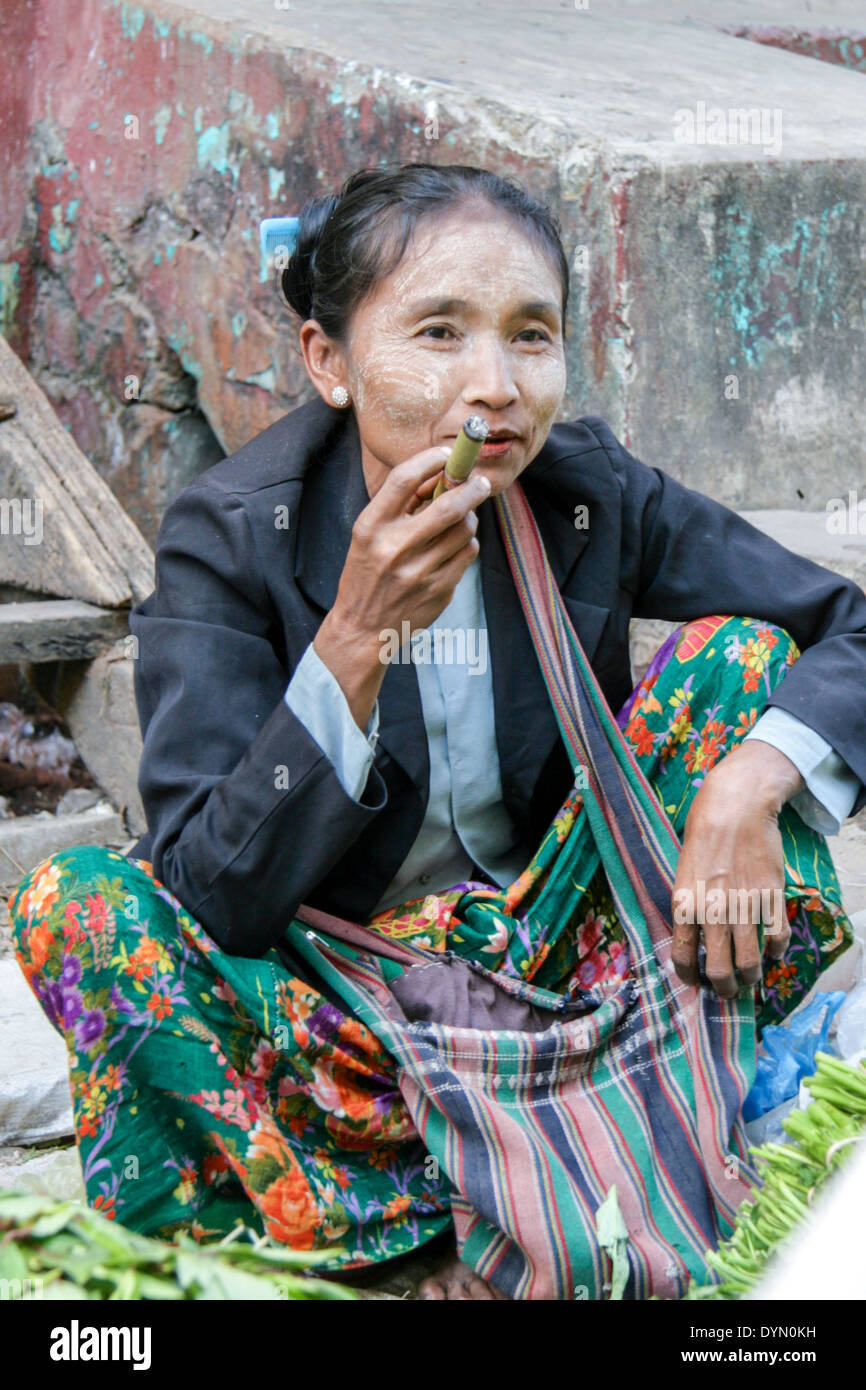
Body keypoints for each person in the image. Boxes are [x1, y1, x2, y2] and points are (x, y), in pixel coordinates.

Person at [9, 163, 865, 1301]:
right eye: (438, 332)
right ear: (327, 361)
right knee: (82, 906)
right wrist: (354, 640)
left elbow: (844, 627)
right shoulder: (233, 535)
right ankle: (416, 1236)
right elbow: (212, 888)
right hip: (348, 1007)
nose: (494, 385)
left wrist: (745, 784)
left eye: (529, 336)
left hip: (569, 965)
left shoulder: (584, 491)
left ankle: (671, 1107)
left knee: (740, 667)